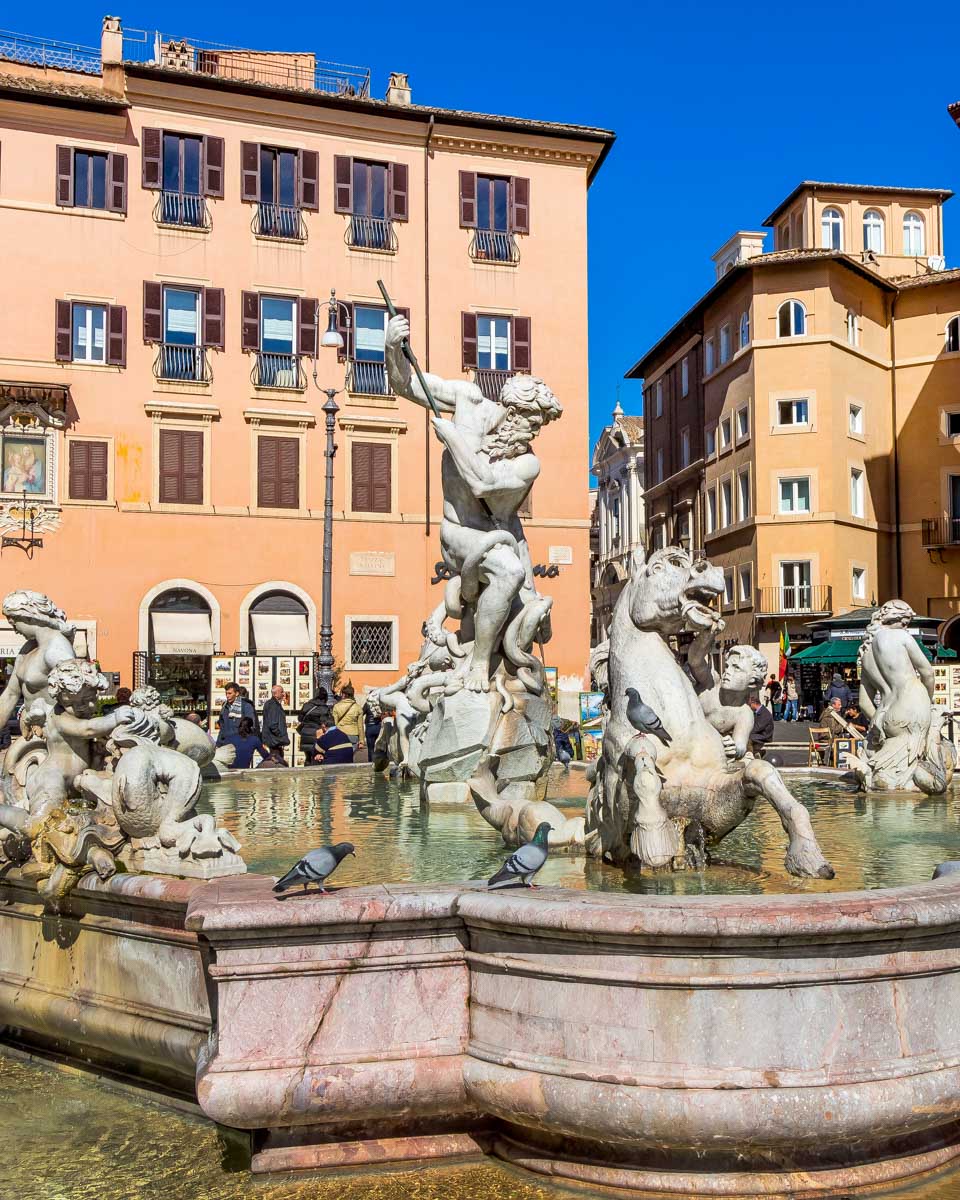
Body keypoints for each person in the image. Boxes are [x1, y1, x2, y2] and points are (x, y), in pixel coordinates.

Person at [216, 682, 259, 747]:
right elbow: (222, 727)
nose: (227, 696)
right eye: (226, 693)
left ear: (237, 693)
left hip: (241, 744)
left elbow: (251, 726)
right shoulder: (225, 707)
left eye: (230, 693)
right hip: (226, 743)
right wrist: (218, 744)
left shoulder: (246, 706)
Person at [298, 688, 332, 763]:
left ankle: (306, 772)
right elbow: (326, 723)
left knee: (307, 758)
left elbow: (300, 718)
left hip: (305, 734)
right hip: (317, 734)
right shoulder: (324, 708)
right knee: (317, 757)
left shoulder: (307, 705)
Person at [261, 684, 290, 766]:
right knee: (277, 761)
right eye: (281, 692)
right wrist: (280, 735)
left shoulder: (273, 704)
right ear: (275, 694)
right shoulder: (273, 705)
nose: (283, 694)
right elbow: (272, 724)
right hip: (274, 740)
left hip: (274, 740)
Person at [332, 683, 363, 753]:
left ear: (343, 694)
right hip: (353, 735)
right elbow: (360, 726)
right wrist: (361, 741)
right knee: (350, 757)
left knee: (340, 756)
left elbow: (335, 724)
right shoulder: (357, 707)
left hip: (340, 734)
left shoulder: (336, 706)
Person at [362, 694, 383, 763]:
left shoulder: (367, 704)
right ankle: (379, 763)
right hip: (378, 727)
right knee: (379, 747)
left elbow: (362, 713)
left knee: (370, 748)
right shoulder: (380, 704)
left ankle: (371, 763)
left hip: (369, 728)